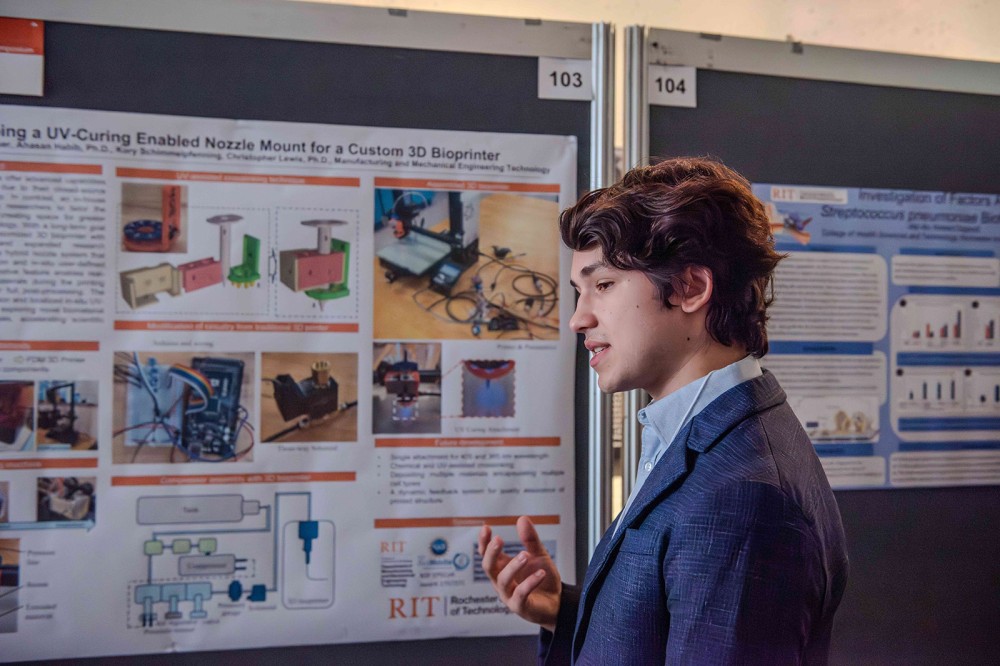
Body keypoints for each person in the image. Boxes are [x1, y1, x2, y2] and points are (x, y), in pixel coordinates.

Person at [478, 157, 849, 664]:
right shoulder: (707, 434)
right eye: (578, 292)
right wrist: (573, 614)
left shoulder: (742, 498)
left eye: (603, 285)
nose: (578, 318)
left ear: (691, 287)